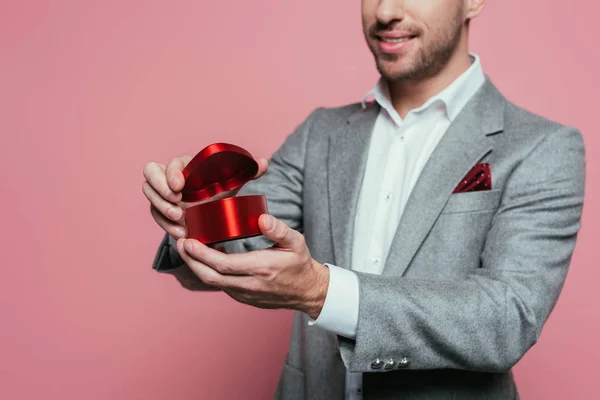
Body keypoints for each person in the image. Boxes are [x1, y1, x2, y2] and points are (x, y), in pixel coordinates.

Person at [143, 0, 586, 398]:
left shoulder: (542, 148)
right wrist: (195, 214)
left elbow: (506, 321)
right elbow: (236, 256)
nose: (385, 11)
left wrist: (321, 292)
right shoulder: (321, 134)